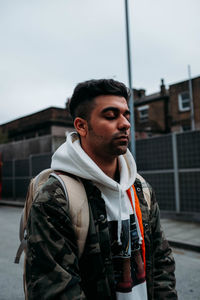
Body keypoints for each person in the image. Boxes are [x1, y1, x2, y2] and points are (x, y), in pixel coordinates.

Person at [26, 79, 177, 300]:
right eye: (111, 115)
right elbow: (55, 290)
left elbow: (161, 260)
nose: (125, 123)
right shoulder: (56, 197)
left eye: (126, 115)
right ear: (81, 126)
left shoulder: (140, 187)